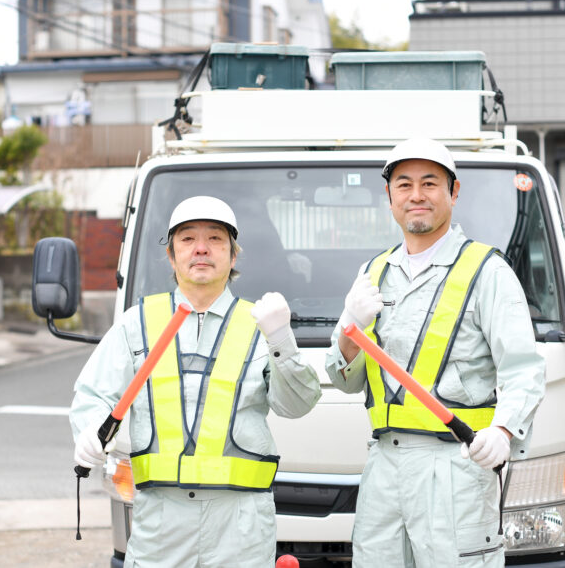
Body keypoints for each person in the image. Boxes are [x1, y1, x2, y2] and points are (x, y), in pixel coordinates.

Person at [325, 138, 546, 567]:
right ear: (389, 196)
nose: (417, 195)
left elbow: (523, 369)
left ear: (453, 192)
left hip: (456, 467)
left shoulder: (487, 271)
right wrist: (350, 328)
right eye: (404, 184)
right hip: (384, 466)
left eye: (429, 183)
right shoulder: (373, 273)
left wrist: (503, 431)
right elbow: (344, 379)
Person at [70, 195, 321, 568]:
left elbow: (297, 404)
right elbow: (93, 394)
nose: (201, 248)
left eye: (215, 239)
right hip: (160, 523)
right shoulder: (137, 323)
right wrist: (90, 429)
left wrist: (282, 339)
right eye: (187, 239)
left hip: (240, 524)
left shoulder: (260, 324)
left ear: (233, 256)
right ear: (171, 257)